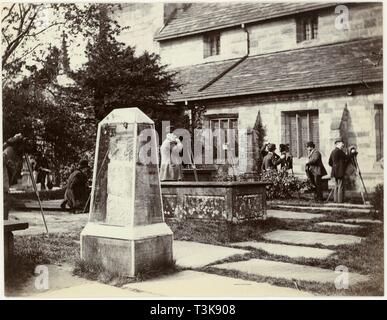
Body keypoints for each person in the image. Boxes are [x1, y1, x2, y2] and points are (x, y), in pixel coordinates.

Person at [3, 133, 26, 219]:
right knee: (4, 205)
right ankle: (5, 229)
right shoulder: (8, 151)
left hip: (4, 188)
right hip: (3, 189)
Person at [328, 139, 350, 203]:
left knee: (336, 186)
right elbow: (347, 157)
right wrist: (353, 154)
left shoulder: (333, 151)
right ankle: (340, 201)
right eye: (341, 144)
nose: (342, 145)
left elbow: (329, 162)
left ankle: (335, 200)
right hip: (340, 172)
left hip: (334, 172)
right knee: (340, 186)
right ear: (337, 144)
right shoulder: (339, 151)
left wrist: (335, 166)